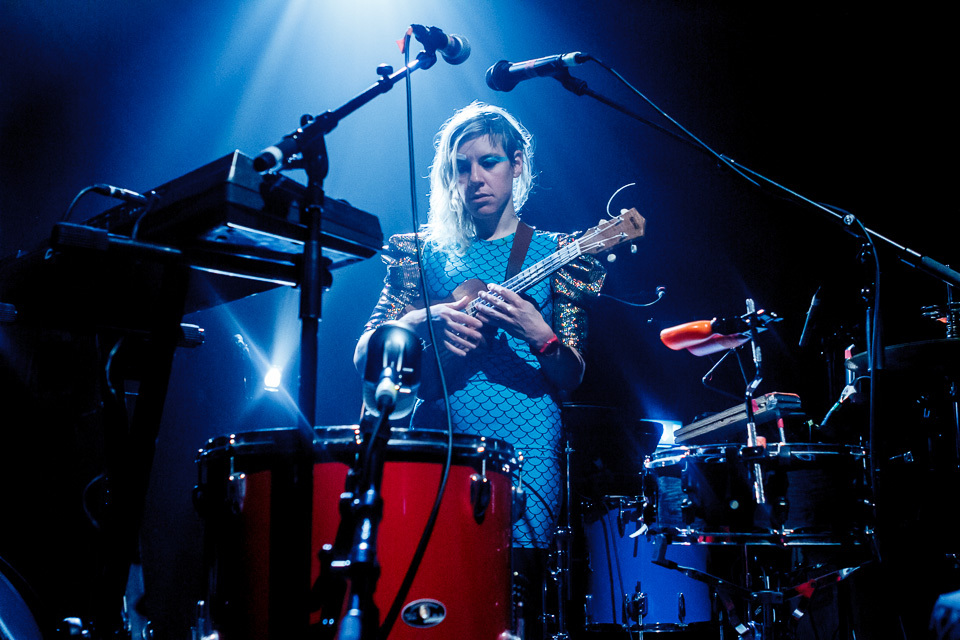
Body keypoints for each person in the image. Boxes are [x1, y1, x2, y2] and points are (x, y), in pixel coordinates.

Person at [354, 101, 605, 637]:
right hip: (437, 448)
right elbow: (365, 355)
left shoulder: (558, 253)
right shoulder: (421, 252)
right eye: (461, 167)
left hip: (526, 451)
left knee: (512, 603)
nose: (474, 178)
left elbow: (572, 376)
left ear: (517, 165)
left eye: (488, 162)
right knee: (430, 601)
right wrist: (420, 319)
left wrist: (539, 333)